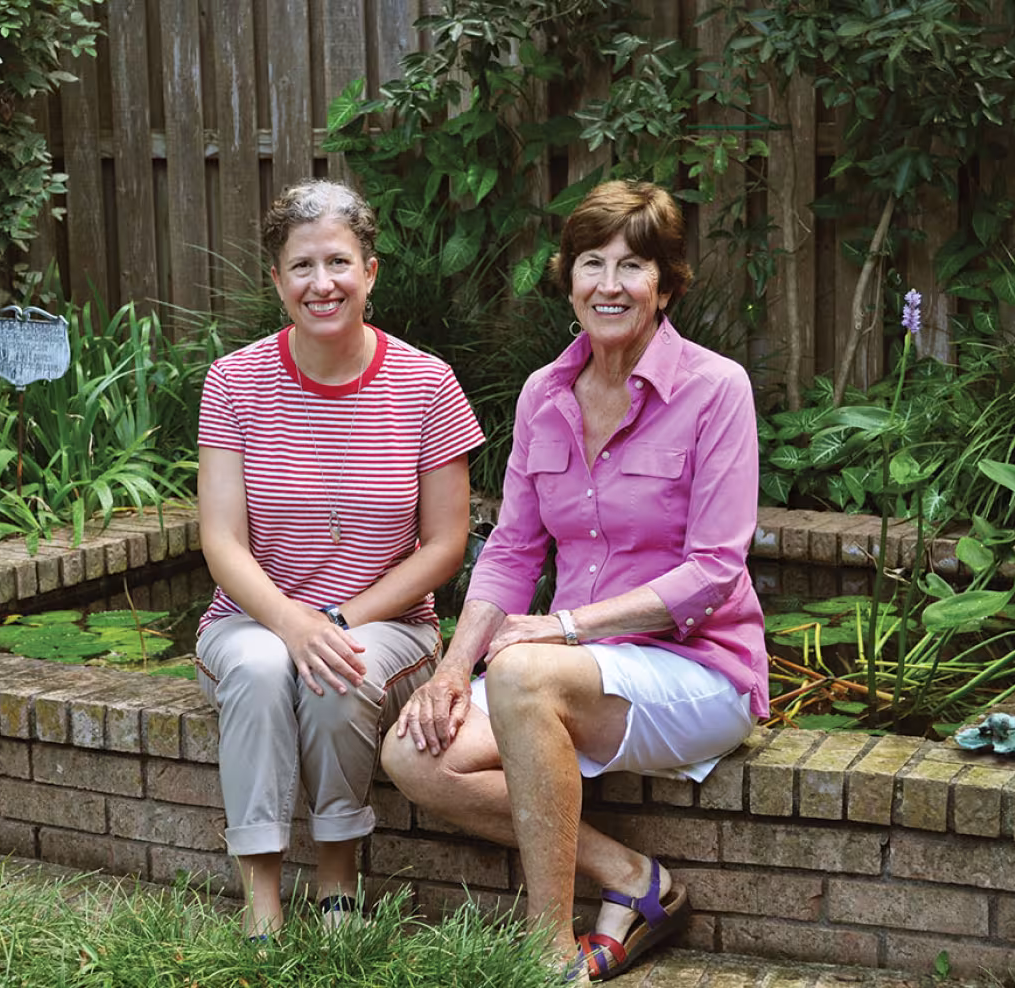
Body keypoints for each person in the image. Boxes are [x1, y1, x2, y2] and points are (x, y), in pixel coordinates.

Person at [383, 180, 768, 983]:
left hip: (696, 671)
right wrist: (453, 671)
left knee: (522, 670)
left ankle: (545, 952)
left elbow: (715, 571)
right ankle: (633, 878)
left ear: (666, 284)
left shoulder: (715, 389)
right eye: (591, 262)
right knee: (414, 755)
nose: (609, 284)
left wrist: (562, 630)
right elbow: (514, 549)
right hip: (567, 674)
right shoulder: (543, 395)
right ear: (567, 277)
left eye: (633, 265)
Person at [194, 179, 484, 939]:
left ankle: (337, 875)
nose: (320, 284)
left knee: (339, 666)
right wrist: (291, 624)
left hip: (385, 621)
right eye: (300, 266)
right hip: (253, 617)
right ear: (277, 280)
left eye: (338, 262)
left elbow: (447, 544)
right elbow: (221, 540)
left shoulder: (428, 384)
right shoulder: (234, 381)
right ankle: (260, 898)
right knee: (261, 668)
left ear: (371, 272)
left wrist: (337, 619)